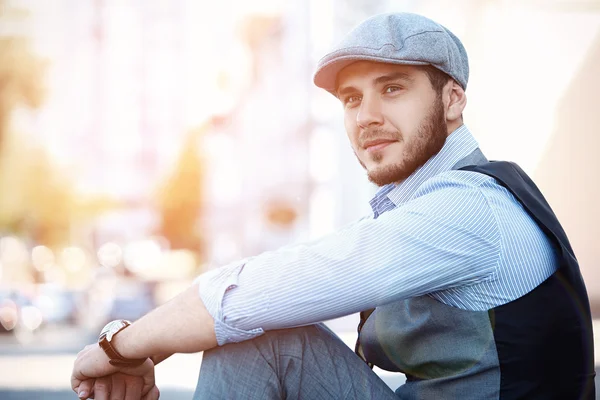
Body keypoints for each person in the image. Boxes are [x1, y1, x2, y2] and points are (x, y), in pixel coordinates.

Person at [71, 12, 596, 400]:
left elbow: (258, 292)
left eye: (392, 88)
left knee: (256, 331)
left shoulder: (470, 210)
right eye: (351, 98)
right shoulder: (415, 206)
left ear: (452, 100)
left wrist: (122, 345)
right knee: (263, 332)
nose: (366, 115)